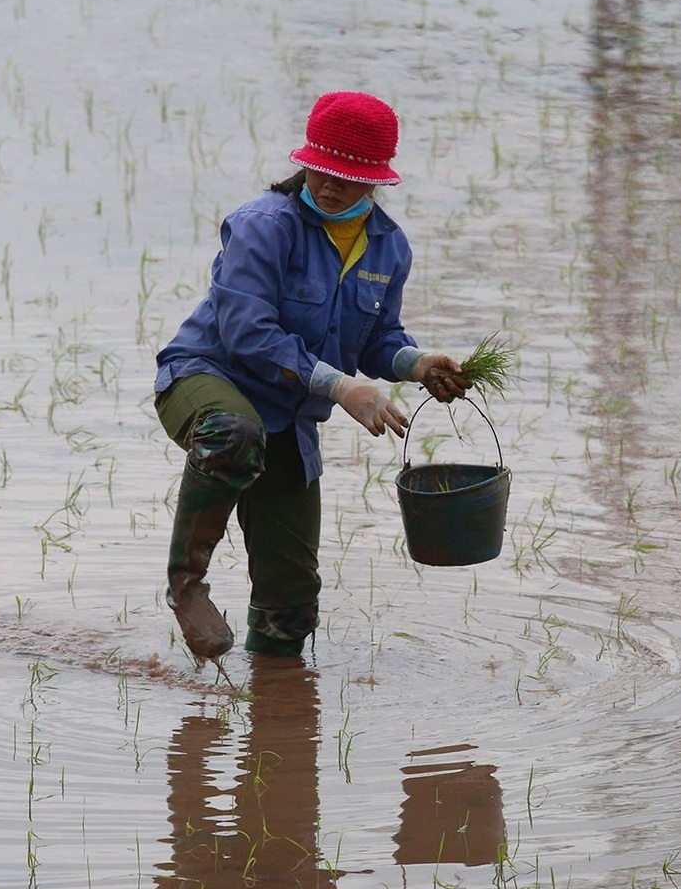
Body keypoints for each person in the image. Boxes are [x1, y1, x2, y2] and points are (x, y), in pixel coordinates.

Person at [154, 91, 468, 660]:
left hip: (287, 415)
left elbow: (376, 339)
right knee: (233, 432)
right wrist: (341, 387)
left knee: (292, 602)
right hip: (206, 378)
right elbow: (248, 333)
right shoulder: (263, 226)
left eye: (347, 178)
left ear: (377, 179)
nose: (328, 187)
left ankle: (273, 718)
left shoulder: (388, 246)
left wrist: (417, 364)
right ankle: (186, 587)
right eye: (320, 171)